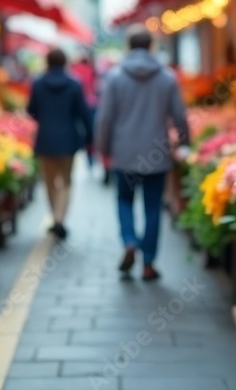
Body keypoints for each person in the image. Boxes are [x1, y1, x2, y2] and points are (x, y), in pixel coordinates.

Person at [96, 26, 190, 281]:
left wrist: (102, 147)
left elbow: (105, 118)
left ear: (128, 46)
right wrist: (184, 141)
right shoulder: (167, 77)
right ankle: (148, 263)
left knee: (124, 200)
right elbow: (179, 116)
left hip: (124, 152)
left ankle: (128, 241)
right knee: (152, 207)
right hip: (156, 153)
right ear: (151, 46)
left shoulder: (115, 77)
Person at [27, 48, 92, 240]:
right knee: (66, 180)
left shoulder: (38, 84)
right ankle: (60, 219)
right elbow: (83, 112)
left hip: (45, 138)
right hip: (68, 139)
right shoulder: (74, 84)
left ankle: (54, 216)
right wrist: (90, 137)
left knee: (49, 182)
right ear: (65, 62)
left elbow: (31, 111)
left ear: (47, 61)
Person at [70, 55, 98, 170]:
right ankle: (90, 155)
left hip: (78, 102)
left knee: (78, 127)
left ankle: (82, 148)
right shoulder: (91, 68)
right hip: (90, 102)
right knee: (90, 130)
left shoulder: (74, 67)